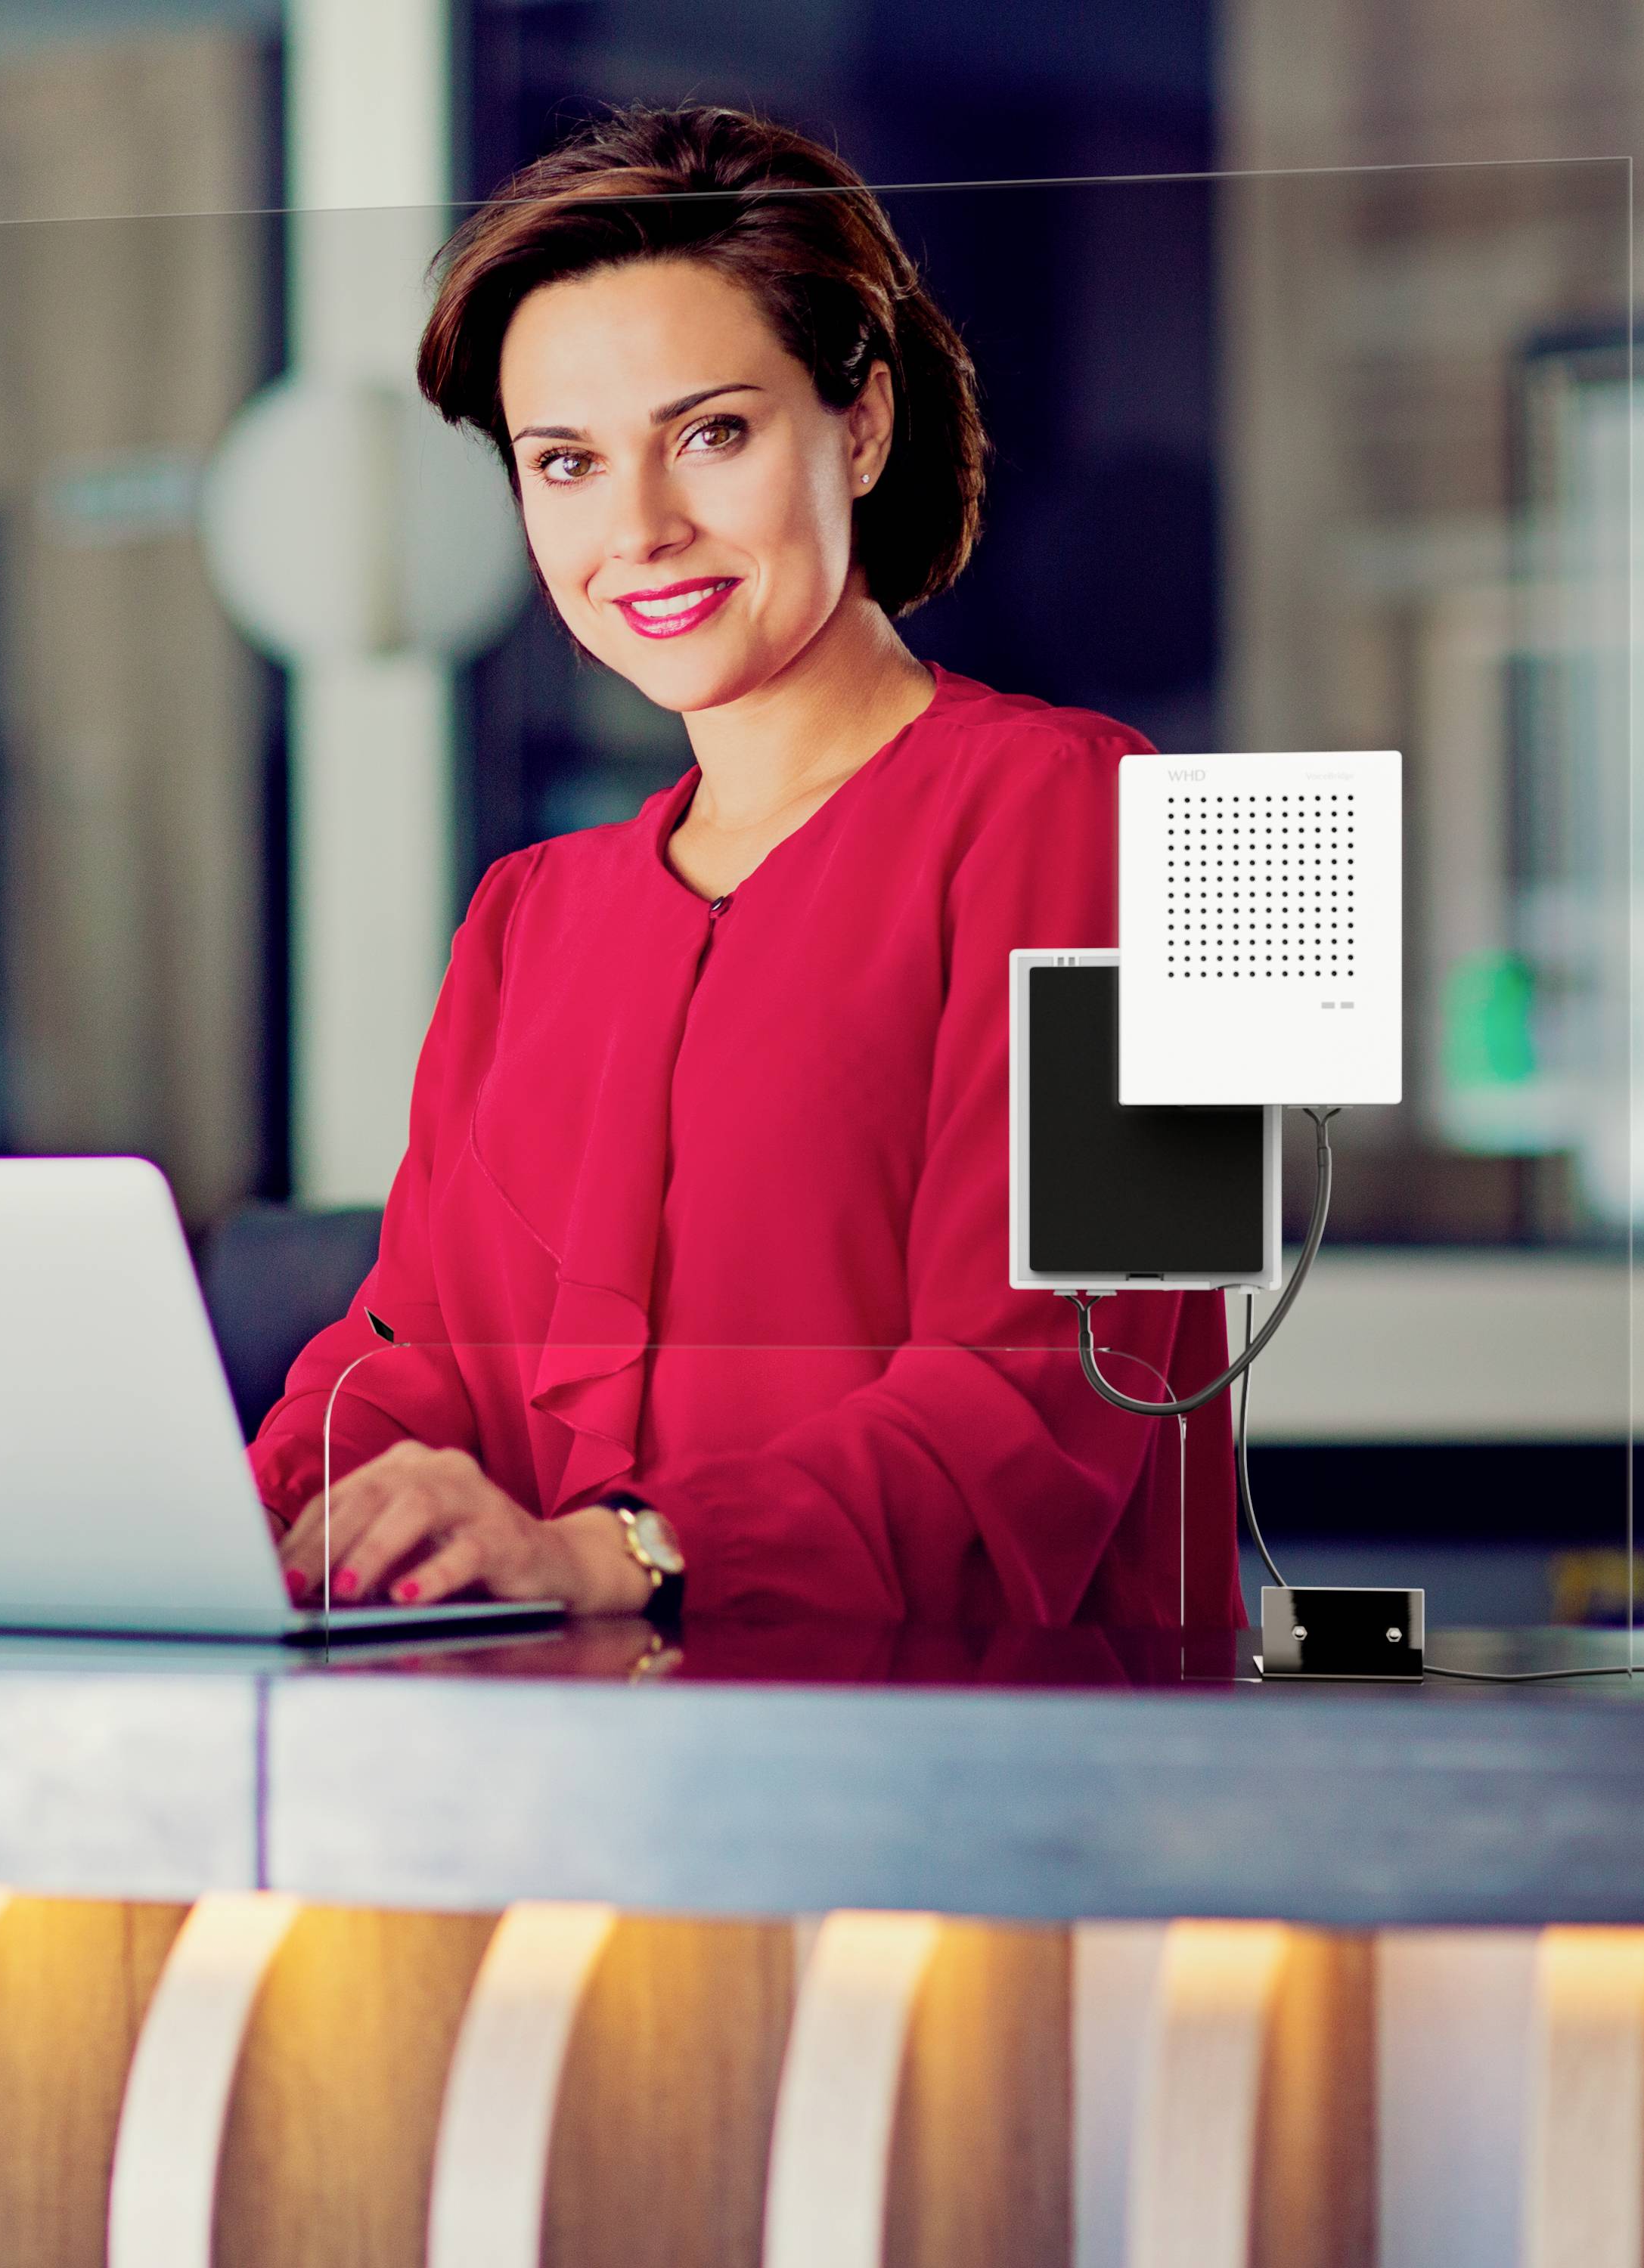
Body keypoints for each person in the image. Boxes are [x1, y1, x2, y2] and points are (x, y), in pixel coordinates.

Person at [250, 107, 1238, 1629]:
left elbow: (1052, 1395)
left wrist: (620, 1551)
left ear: (857, 426)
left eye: (708, 434)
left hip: (988, 1786)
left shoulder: (1115, 821)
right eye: (563, 462)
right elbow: (412, 1364)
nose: (636, 530)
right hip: (582, 1779)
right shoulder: (527, 919)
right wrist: (227, 1532)